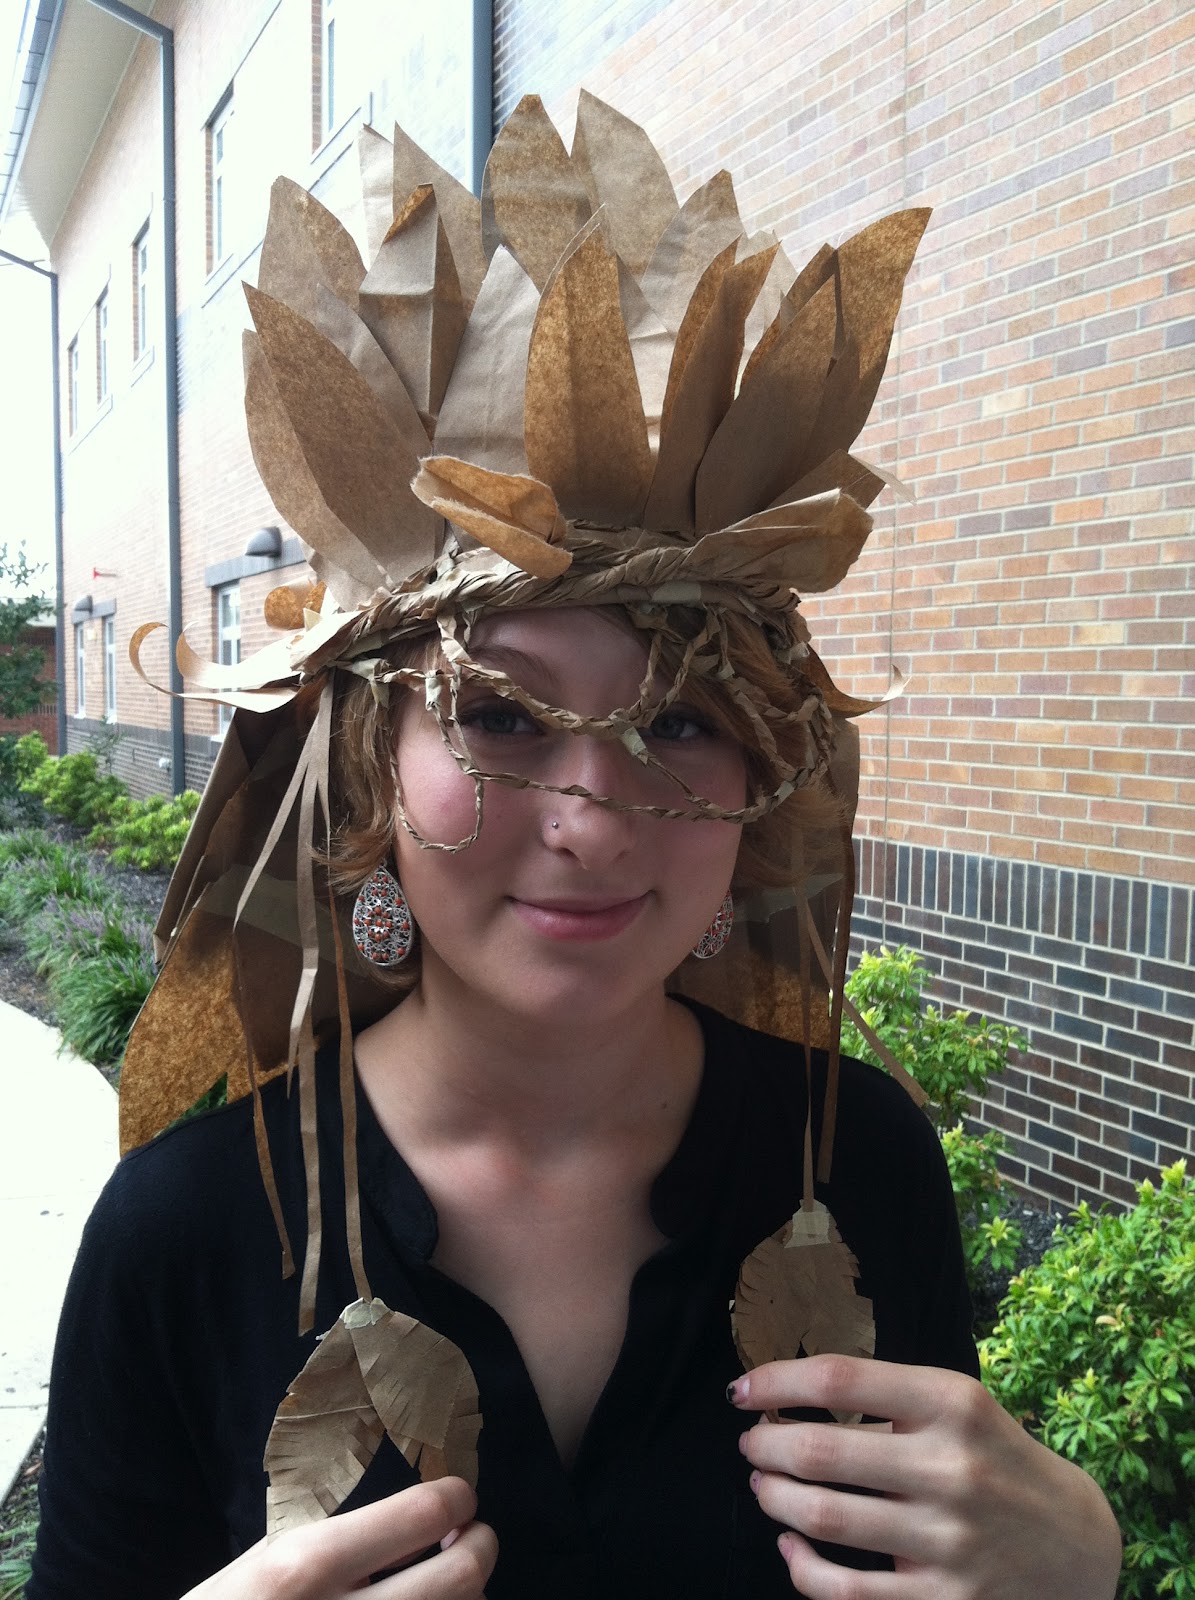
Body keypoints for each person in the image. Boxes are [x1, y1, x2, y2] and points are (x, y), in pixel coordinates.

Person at [28, 93, 1122, 1600]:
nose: (594, 818)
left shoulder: (858, 1161)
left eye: (678, 725)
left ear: (755, 787)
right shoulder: (188, 1234)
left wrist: (1077, 1571)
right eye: (502, 717)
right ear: (364, 775)